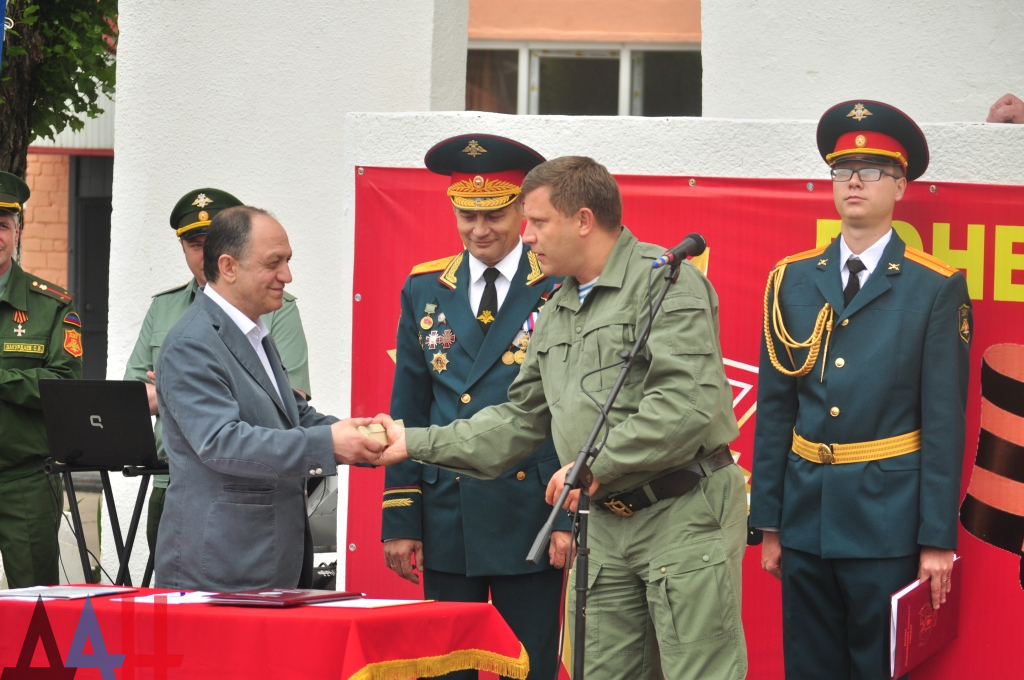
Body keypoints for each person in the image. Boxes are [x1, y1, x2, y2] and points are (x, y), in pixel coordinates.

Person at [373, 156, 747, 680]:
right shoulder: (556, 307)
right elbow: (519, 420)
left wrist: (593, 465)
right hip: (607, 526)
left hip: (680, 515)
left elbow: (685, 405)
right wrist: (413, 442)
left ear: (583, 220)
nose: (526, 237)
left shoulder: (665, 283)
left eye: (537, 222)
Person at [750, 100, 971, 679]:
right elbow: (775, 409)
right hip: (805, 520)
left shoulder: (934, 287)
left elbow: (943, 424)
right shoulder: (792, 279)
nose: (854, 181)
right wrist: (770, 523)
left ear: (900, 186)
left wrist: (937, 540)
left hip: (886, 525)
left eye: (872, 170)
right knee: (808, 669)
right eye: (843, 169)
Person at [382, 134, 571, 680]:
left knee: (530, 666)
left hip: (531, 511)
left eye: (494, 214)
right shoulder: (424, 287)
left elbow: (574, 409)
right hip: (449, 510)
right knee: (445, 667)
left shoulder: (559, 283)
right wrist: (401, 514)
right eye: (468, 215)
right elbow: (409, 405)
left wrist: (566, 518)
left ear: (522, 210)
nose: (480, 229)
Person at [154, 205, 383, 591]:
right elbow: (222, 442)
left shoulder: (253, 333)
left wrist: (366, 436)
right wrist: (329, 444)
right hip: (223, 567)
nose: (287, 276)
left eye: (287, 261)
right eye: (273, 263)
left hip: (266, 558)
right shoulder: (191, 343)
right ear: (228, 267)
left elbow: (293, 415)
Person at [124, 188, 312, 561]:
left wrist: (176, 393)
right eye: (196, 245)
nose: (285, 275)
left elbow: (288, 406)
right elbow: (130, 400)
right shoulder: (176, 319)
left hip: (256, 494)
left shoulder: (266, 315)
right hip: (180, 485)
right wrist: (187, 393)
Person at [0, 171, 83, 587]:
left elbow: (64, 386)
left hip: (26, 481)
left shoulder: (52, 306)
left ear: (18, 231)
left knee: (35, 605)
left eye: (2, 224)